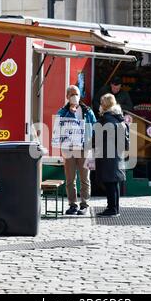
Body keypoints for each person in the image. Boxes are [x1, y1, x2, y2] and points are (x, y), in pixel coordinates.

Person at [57, 85, 97, 216]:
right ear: (67, 97)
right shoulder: (63, 111)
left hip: (85, 148)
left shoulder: (87, 110)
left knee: (85, 178)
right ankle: (72, 204)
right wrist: (70, 112)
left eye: (77, 94)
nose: (75, 96)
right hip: (68, 148)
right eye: (72, 94)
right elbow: (58, 123)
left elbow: (95, 127)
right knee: (70, 178)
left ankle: (84, 204)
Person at [93, 94, 129, 218]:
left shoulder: (105, 120)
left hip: (107, 155)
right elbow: (126, 143)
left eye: (101, 103)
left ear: (105, 105)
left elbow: (96, 139)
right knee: (114, 183)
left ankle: (112, 209)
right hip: (117, 155)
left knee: (110, 183)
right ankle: (114, 208)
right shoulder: (120, 119)